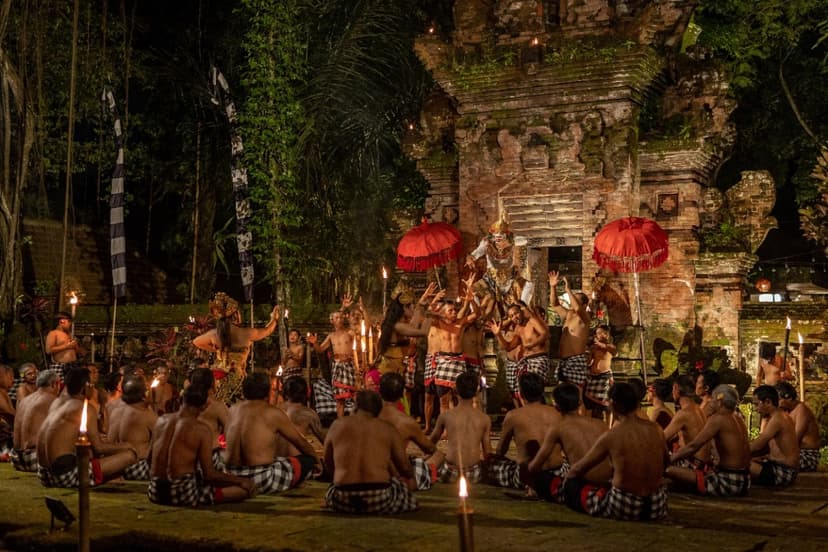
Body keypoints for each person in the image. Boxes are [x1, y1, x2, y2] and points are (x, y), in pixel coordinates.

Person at [564, 382, 669, 521]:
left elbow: (580, 467)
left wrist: (567, 480)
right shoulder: (655, 428)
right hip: (657, 505)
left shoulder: (613, 435)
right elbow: (666, 462)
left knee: (572, 486)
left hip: (624, 504)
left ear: (613, 405)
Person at [147, 384, 255, 507]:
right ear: (204, 406)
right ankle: (213, 495)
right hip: (183, 494)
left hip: (154, 491)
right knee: (243, 490)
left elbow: (149, 459)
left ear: (181, 400)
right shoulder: (201, 429)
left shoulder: (161, 421)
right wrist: (241, 480)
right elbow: (209, 475)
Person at [36, 367, 137, 488]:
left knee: (95, 449)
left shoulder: (57, 402)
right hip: (63, 476)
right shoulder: (84, 407)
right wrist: (127, 446)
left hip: (43, 474)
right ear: (86, 386)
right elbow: (99, 448)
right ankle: (99, 478)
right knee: (130, 455)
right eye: (92, 385)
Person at [223, 372, 319, 494]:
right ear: (267, 392)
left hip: (231, 474)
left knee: (280, 460)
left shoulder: (232, 410)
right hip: (260, 477)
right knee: (307, 461)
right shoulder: (273, 412)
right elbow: (301, 443)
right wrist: (317, 461)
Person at [324, 390, 418, 514]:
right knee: (403, 489)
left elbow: (328, 462)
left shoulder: (337, 424)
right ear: (378, 410)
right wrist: (410, 478)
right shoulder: (387, 428)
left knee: (331, 490)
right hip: (380, 497)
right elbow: (404, 467)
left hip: (343, 498)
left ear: (356, 406)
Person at [528, 383, 611, 503]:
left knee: (540, 478)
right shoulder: (601, 424)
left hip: (582, 488)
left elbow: (536, 465)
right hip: (608, 484)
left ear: (556, 406)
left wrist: (527, 473)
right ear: (580, 403)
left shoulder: (559, 427)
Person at [667, 385, 751, 497]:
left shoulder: (718, 418)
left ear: (720, 402)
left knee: (667, 470)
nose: (710, 403)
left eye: (713, 400)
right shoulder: (738, 419)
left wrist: (669, 460)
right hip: (745, 481)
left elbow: (694, 446)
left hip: (728, 482)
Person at [488, 372, 560, 489]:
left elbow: (500, 451)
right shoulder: (557, 413)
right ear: (542, 392)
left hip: (526, 476)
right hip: (557, 474)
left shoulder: (513, 415)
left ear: (521, 393)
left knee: (489, 466)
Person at [192, 292, 279, 376]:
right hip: (238, 377)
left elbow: (196, 342)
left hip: (219, 377)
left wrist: (218, 350)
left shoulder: (214, 334)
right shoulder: (247, 333)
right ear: (236, 315)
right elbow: (268, 330)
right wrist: (274, 318)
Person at [427, 372, 492, 484]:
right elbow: (487, 453)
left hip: (450, 473)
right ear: (476, 391)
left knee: (438, 455)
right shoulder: (484, 419)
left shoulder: (446, 416)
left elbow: (430, 444)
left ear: (455, 390)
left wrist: (428, 457)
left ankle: (430, 476)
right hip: (474, 474)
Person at [378, 373, 436, 491]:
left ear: (380, 391)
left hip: (373, 470)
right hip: (395, 473)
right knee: (438, 456)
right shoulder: (406, 422)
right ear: (402, 393)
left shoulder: (371, 414)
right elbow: (430, 449)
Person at [427, 288, 478, 415]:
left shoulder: (461, 323)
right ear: (444, 313)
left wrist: (471, 301)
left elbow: (477, 314)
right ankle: (445, 430)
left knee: (462, 398)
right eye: (451, 311)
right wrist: (434, 300)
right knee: (444, 400)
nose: (455, 312)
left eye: (455, 310)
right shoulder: (437, 324)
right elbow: (426, 314)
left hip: (458, 363)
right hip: (443, 362)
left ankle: (461, 425)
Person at [489, 302, 550, 404]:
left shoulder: (532, 321)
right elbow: (508, 347)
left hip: (538, 359)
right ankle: (527, 415)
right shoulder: (518, 329)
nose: (515, 317)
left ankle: (539, 415)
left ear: (521, 312)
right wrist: (498, 334)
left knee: (534, 390)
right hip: (525, 362)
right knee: (522, 391)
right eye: (512, 316)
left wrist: (531, 345)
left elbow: (545, 334)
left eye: (516, 313)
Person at [108, 375, 158, 480]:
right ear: (144, 395)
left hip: (115, 465)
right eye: (149, 390)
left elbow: (110, 442)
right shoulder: (146, 415)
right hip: (137, 466)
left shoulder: (116, 412)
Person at [308, 308, 356, 418]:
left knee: (355, 396)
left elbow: (357, 328)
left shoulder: (349, 332)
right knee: (340, 399)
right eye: (337, 318)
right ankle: (340, 423)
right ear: (332, 321)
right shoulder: (331, 336)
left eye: (341, 317)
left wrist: (344, 308)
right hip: (337, 367)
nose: (339, 320)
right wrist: (314, 343)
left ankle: (356, 421)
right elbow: (320, 350)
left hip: (349, 366)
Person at [750, 385, 799, 487]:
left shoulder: (777, 419)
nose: (756, 409)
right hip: (782, 468)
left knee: (740, 464)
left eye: (756, 404)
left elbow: (757, 446)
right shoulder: (779, 416)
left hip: (784, 472)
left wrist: (734, 453)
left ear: (768, 402)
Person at [548, 271, 590, 389]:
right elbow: (555, 304)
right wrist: (553, 287)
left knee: (577, 396)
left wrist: (568, 290)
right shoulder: (568, 315)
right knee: (562, 395)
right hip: (564, 361)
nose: (571, 302)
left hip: (576, 359)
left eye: (575, 300)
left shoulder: (585, 317)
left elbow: (577, 308)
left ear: (585, 305)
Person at [11, 370, 59, 472]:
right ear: (54, 384)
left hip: (16, 459)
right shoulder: (51, 400)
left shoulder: (24, 400)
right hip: (34, 459)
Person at [662, 375, 710, 470]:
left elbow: (661, 438)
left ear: (677, 388)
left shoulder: (684, 413)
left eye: (673, 389)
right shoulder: (698, 409)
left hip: (693, 463)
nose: (672, 392)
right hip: (704, 462)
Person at [275, 376, 326, 457]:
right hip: (297, 461)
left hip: (275, 458)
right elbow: (323, 439)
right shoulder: (308, 413)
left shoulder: (275, 410)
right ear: (306, 392)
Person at [189, 368, 229, 470]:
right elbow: (231, 432)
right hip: (210, 457)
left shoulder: (185, 404)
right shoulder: (216, 406)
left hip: (187, 456)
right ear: (211, 383)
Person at [775, 382, 821, 472]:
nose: (777, 404)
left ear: (789, 397)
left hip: (808, 456)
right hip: (793, 454)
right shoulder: (787, 412)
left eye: (778, 400)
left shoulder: (801, 409)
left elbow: (794, 439)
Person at [585, 325, 616, 419]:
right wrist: (589, 353)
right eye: (597, 333)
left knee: (606, 405)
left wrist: (600, 344)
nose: (599, 335)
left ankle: (608, 428)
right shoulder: (593, 347)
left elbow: (612, 350)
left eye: (602, 333)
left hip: (604, 377)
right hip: (592, 377)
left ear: (607, 334)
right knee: (588, 404)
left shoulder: (611, 347)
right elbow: (589, 363)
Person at [44, 312, 79, 380]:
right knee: (59, 386)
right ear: (61, 321)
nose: (70, 324)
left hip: (73, 365)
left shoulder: (69, 335)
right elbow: (48, 350)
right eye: (69, 321)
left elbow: (77, 352)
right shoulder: (53, 333)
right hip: (60, 366)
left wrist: (75, 345)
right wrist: (66, 346)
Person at [0, 364, 16, 460]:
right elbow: (8, 413)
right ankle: (4, 451)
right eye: (9, 376)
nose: (12, 379)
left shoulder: (5, 392)